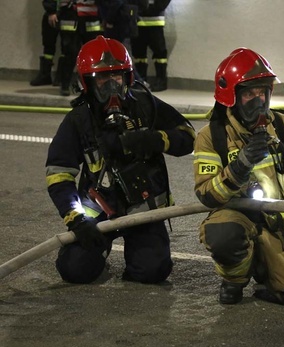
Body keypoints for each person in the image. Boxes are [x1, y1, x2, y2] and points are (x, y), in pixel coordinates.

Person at [193, 48, 284, 305]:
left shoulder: (282, 124)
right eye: (249, 93)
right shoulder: (212, 135)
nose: (258, 100)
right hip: (236, 216)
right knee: (222, 234)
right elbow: (206, 194)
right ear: (231, 97)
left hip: (277, 224)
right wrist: (240, 167)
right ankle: (234, 280)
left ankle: (263, 265)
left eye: (263, 92)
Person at [45, 35, 196, 284]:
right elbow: (59, 173)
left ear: (128, 77)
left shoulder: (146, 105)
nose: (112, 85)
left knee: (152, 272)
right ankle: (94, 251)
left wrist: (155, 139)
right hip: (98, 216)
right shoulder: (79, 120)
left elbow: (188, 136)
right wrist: (77, 220)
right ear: (87, 83)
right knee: (75, 271)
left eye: (117, 76)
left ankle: (140, 252)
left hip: (144, 213)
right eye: (103, 78)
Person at [58, 0, 104, 96]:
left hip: (91, 17)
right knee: (70, 53)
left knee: (93, 55)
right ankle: (65, 84)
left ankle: (93, 86)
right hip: (70, 15)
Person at [131, 0, 171, 92]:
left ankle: (161, 81)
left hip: (156, 22)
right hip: (139, 22)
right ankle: (141, 81)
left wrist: (152, 8)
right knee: (138, 54)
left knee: (160, 53)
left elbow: (162, 4)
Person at [30, 0, 63, 86]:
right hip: (55, 12)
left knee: (68, 46)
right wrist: (51, 11)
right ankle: (46, 75)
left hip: (70, 12)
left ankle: (62, 77)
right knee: (48, 43)